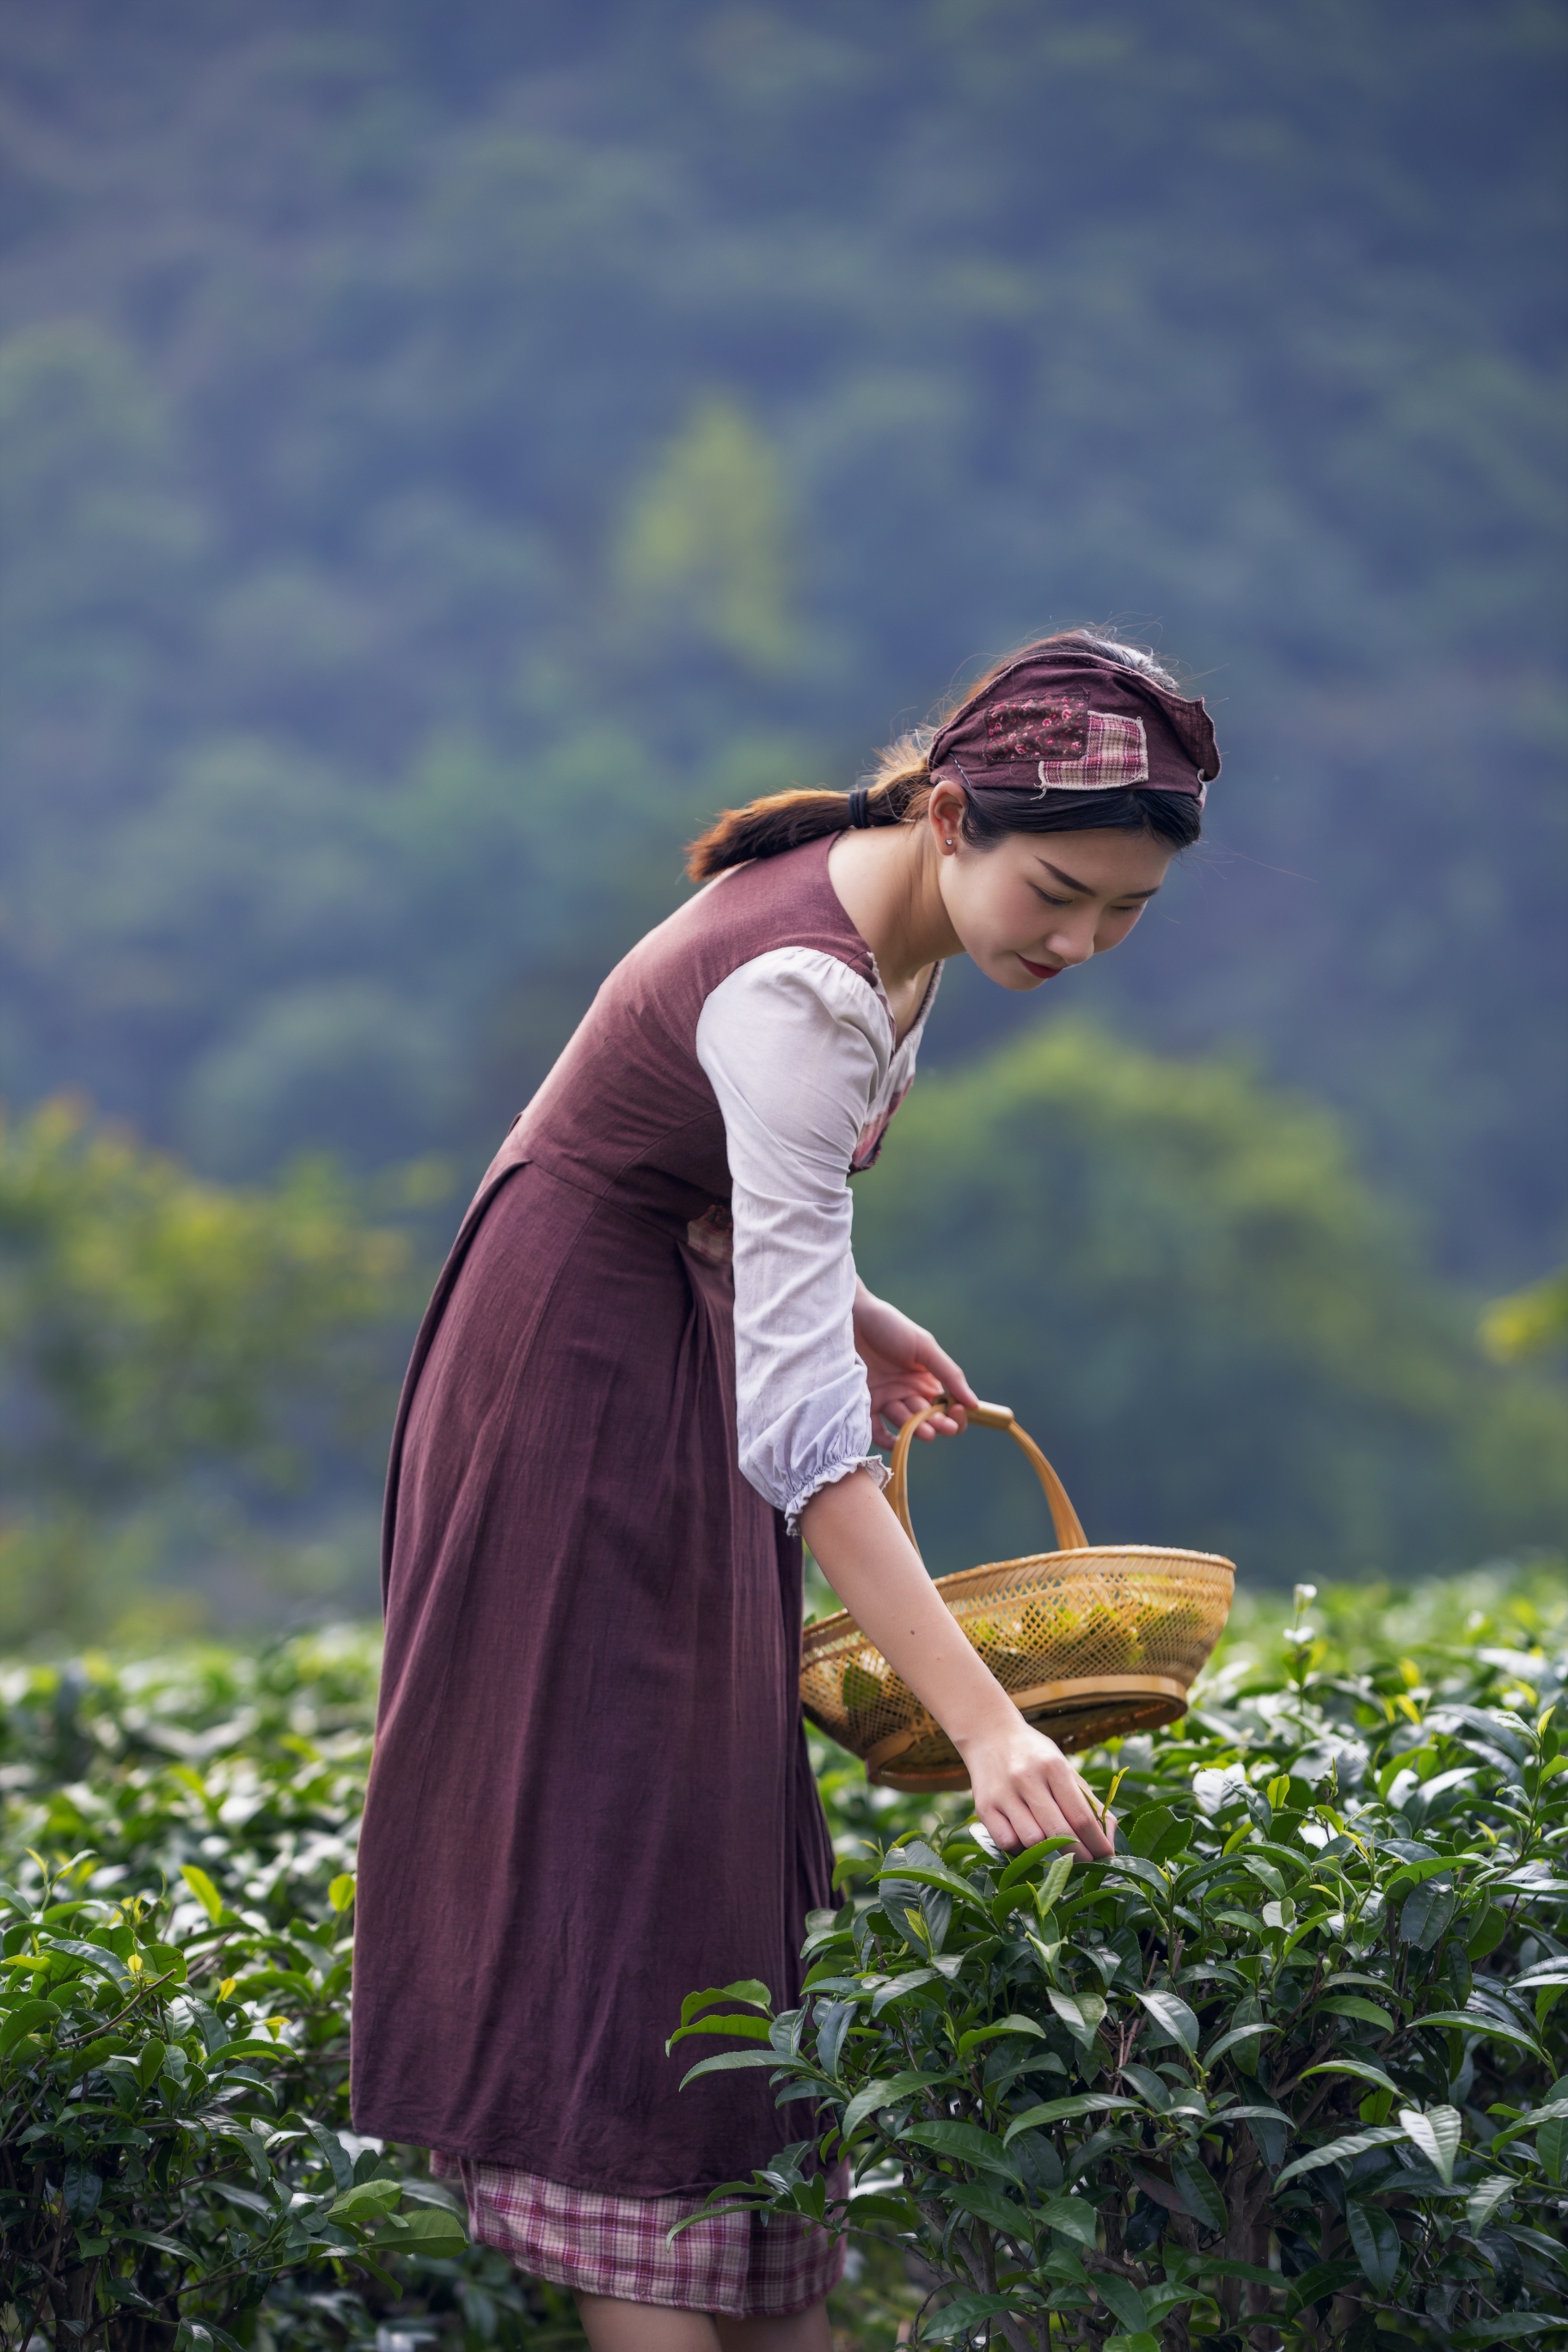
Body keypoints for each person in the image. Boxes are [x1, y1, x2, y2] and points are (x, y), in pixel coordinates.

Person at [351, 631, 1221, 2350]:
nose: (1079, 944)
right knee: (631, 1854)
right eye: (1059, 894)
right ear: (953, 812)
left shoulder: (893, 912)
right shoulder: (800, 987)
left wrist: (856, 1307)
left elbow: (738, 1177)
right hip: (578, 1397)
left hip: (669, 1316)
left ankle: (760, 2298)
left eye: (1124, 914)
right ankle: (660, 2295)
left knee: (714, 1838)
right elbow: (807, 1447)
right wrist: (984, 1726)